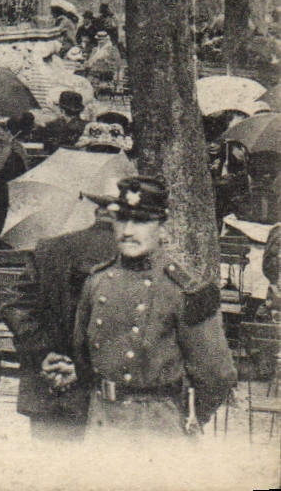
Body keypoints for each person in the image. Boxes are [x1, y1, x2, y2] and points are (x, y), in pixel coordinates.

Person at [71, 176, 236, 438]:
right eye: (122, 219)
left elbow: (217, 375)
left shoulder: (183, 290)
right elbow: (81, 356)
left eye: (141, 221)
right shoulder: (96, 281)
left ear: (162, 229)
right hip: (102, 423)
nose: (127, 231)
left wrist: (185, 419)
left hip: (157, 429)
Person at [3, 195, 119, 440]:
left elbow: (16, 308)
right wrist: (84, 368)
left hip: (49, 387)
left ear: (96, 211)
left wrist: (44, 354)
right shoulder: (134, 260)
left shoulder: (49, 248)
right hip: (107, 398)